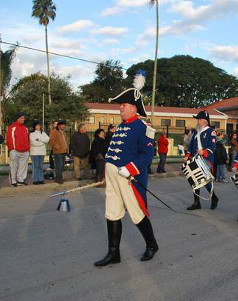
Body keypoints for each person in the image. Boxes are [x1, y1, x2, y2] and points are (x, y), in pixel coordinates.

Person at [94, 72, 158, 266]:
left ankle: (151, 245)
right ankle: (114, 253)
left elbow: (147, 155)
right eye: (120, 105)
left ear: (133, 107)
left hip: (130, 179)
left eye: (123, 105)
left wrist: (130, 168)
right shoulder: (121, 127)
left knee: (137, 214)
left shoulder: (142, 127)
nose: (120, 108)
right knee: (111, 213)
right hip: (114, 179)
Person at [185, 110, 219, 210]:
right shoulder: (196, 132)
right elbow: (191, 145)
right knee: (194, 180)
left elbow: (212, 147)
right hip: (195, 159)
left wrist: (204, 152)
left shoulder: (211, 132)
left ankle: (214, 197)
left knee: (205, 181)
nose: (198, 121)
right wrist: (187, 155)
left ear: (205, 120)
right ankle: (196, 203)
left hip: (206, 160)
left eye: (199, 119)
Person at [6, 113, 30, 187]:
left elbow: (28, 139)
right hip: (15, 151)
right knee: (14, 166)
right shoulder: (12, 127)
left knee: (23, 166)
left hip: (25, 151)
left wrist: (28, 149)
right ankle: (13, 181)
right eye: (22, 118)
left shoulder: (25, 128)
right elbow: (9, 139)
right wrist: (11, 149)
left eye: (24, 118)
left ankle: (21, 180)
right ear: (18, 118)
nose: (23, 119)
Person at [29, 121, 50, 185]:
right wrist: (42, 142)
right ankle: (35, 180)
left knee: (40, 166)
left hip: (42, 152)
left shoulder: (43, 133)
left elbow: (48, 139)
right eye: (37, 125)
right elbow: (33, 143)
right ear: (34, 126)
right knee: (35, 166)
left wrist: (39, 139)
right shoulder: (31, 134)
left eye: (39, 125)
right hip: (35, 152)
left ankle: (41, 179)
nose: (38, 127)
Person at [49, 120, 68, 184]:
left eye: (64, 125)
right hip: (58, 152)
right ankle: (58, 178)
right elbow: (51, 141)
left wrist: (67, 149)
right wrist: (57, 147)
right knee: (59, 165)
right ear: (59, 125)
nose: (64, 126)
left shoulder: (64, 132)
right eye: (63, 125)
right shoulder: (54, 131)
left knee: (62, 165)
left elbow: (66, 142)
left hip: (64, 151)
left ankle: (59, 177)